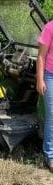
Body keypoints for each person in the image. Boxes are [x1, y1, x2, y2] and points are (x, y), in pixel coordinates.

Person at [36, 21, 53, 173]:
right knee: (52, 116)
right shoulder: (50, 27)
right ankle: (50, 156)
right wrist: (40, 79)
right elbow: (41, 56)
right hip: (51, 76)